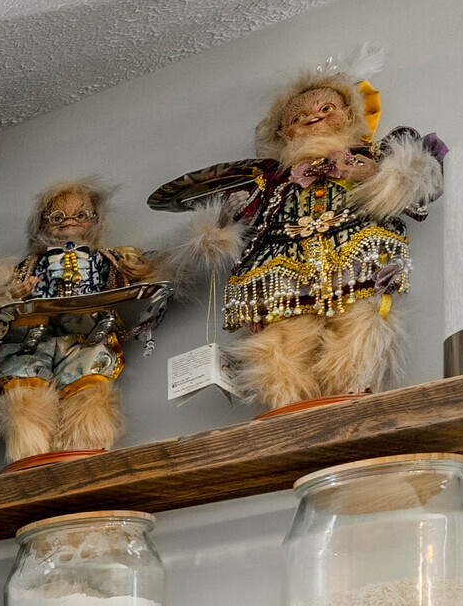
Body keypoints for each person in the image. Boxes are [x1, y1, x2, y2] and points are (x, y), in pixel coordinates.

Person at [152, 57, 445, 410]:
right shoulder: (272, 184)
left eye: (327, 108)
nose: (312, 117)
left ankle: (353, 393)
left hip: (357, 265)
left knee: (360, 330)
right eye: (296, 117)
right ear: (282, 135)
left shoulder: (372, 158)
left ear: (350, 115)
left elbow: (417, 191)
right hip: (286, 279)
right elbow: (253, 238)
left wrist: (372, 175)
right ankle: (289, 410)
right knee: (280, 348)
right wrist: (244, 289)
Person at [0, 180, 167, 462]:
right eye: (57, 217)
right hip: (32, 340)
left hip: (86, 338)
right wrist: (8, 293)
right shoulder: (25, 267)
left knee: (89, 393)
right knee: (24, 395)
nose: (69, 222)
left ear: (95, 219)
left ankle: (84, 456)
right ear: (42, 225)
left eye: (81, 215)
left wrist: (141, 270)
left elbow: (151, 278)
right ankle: (29, 458)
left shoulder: (108, 259)